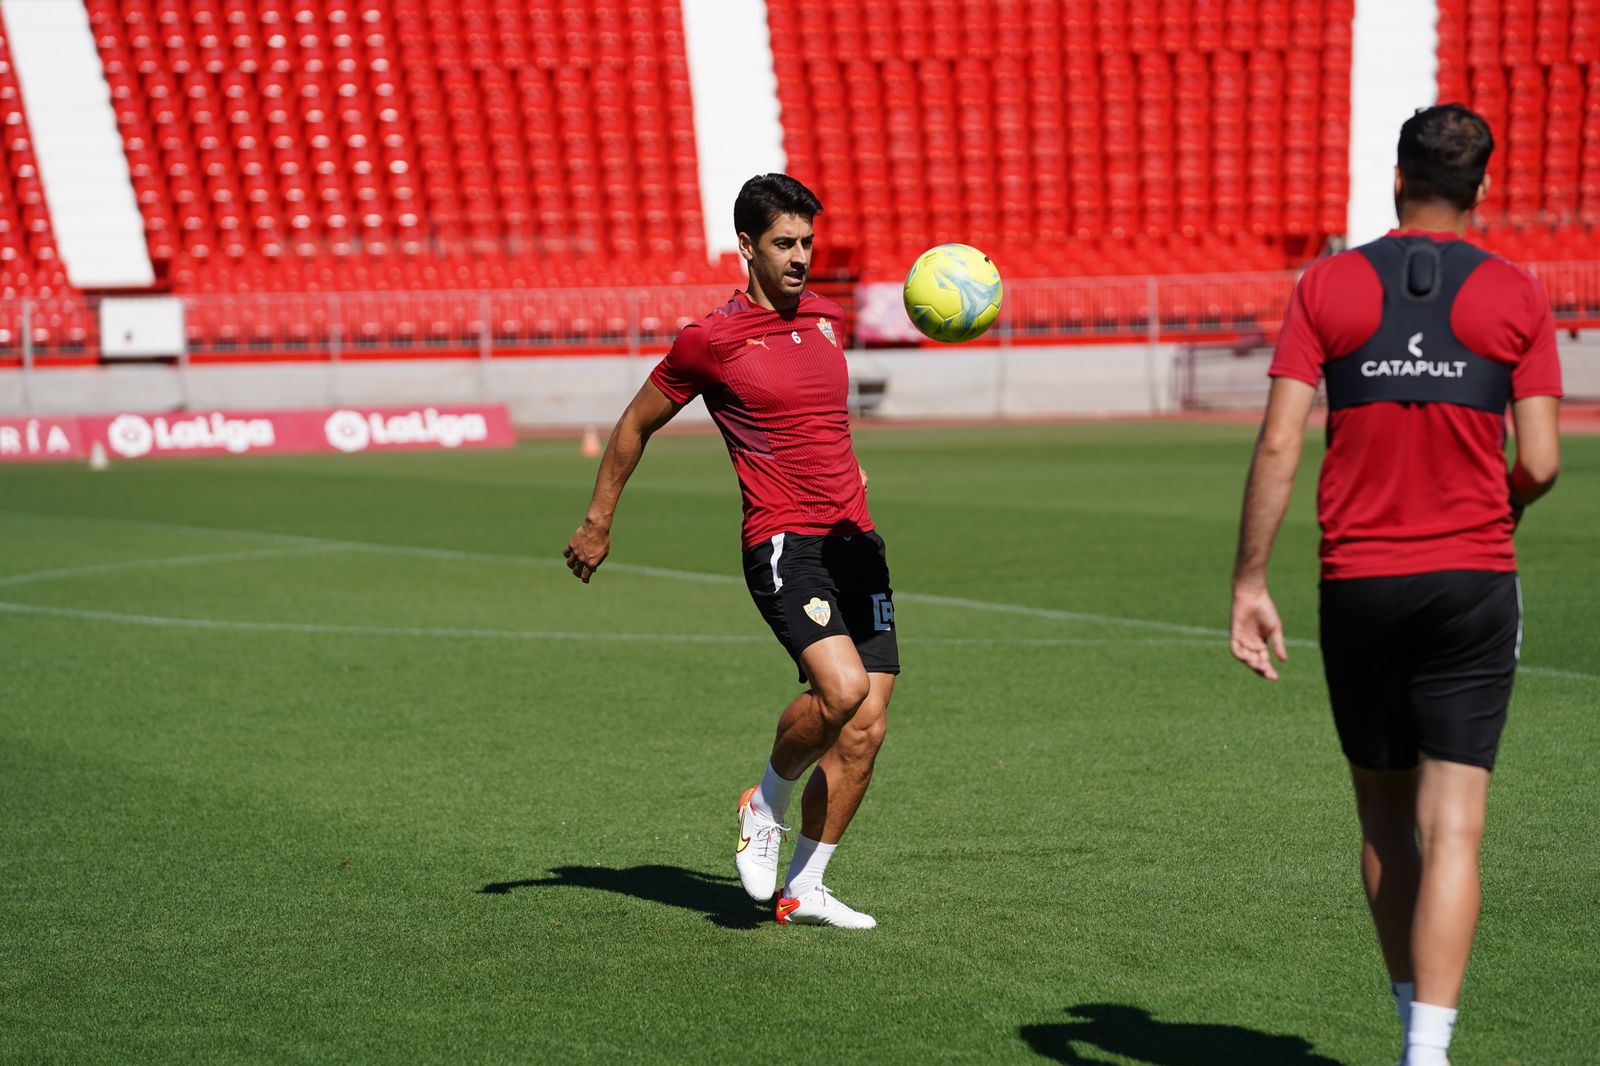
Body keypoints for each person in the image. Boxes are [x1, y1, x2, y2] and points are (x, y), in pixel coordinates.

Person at [1228, 104, 1562, 1066]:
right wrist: (1489, 509)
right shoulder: (1517, 295)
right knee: (1454, 823)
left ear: (1395, 176)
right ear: (1483, 189)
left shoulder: (1327, 283)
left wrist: (1250, 578)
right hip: (1473, 581)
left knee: (1384, 812)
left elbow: (1283, 439)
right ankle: (1428, 1052)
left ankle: (1410, 1017)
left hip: (1358, 585)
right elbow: (1539, 463)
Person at [563, 174, 897, 929]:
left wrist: (850, 470)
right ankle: (766, 799)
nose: (801, 257)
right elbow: (633, 424)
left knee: (868, 728)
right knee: (840, 692)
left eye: (808, 242)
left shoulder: (826, 319)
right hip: (785, 542)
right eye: (785, 243)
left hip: (857, 540)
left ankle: (806, 888)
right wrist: (598, 519)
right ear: (746, 246)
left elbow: (820, 421)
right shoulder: (710, 341)